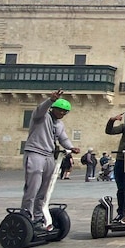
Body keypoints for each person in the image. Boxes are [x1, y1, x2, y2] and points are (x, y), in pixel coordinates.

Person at [21, 90, 80, 228]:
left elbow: (63, 138)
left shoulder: (59, 124)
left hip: (49, 156)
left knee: (44, 189)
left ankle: (38, 216)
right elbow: (40, 110)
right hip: (35, 153)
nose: (62, 113)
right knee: (33, 187)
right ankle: (26, 214)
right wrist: (50, 100)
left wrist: (71, 147)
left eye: (65, 112)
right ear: (53, 108)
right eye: (60, 110)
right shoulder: (41, 117)